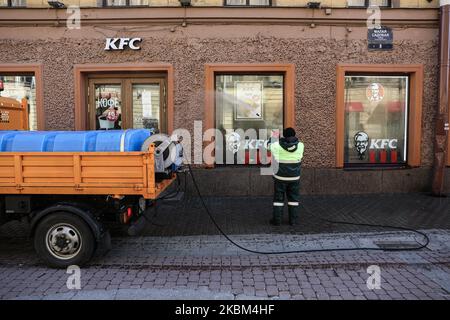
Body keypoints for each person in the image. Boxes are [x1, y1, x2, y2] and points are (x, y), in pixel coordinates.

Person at [269, 127, 304, 226]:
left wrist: (273, 137)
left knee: (278, 200)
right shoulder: (301, 146)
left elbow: (268, 146)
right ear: (294, 135)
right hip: (294, 178)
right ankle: (293, 221)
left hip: (280, 177)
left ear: (284, 135)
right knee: (293, 200)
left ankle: (277, 221)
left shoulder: (276, 146)